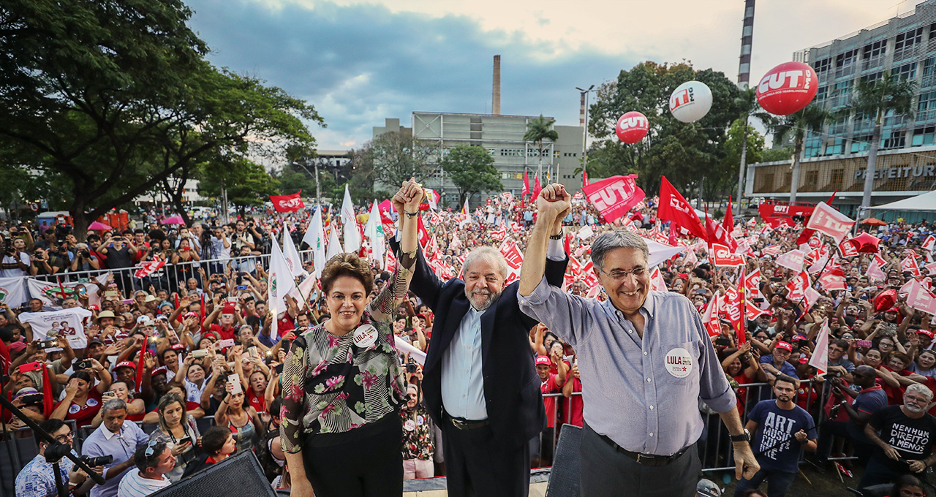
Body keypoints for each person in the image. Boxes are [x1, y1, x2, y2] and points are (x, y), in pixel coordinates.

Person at [517, 183, 758, 497]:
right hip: (608, 468)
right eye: (617, 272)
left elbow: (716, 387)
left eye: (638, 270)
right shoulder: (585, 319)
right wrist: (547, 222)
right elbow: (532, 296)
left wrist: (740, 443)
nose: (631, 283)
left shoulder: (682, 310)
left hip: (680, 470)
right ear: (599, 276)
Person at [388, 181, 569, 497]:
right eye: (473, 276)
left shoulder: (514, 307)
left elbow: (547, 282)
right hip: (457, 437)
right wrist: (409, 217)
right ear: (463, 278)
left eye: (490, 277)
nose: (481, 284)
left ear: (505, 281)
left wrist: (553, 228)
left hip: (502, 438)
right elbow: (414, 271)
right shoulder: (450, 298)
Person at [281, 180, 421, 497]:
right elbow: (288, 414)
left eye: (356, 295)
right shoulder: (304, 345)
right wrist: (299, 479)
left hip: (382, 443)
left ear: (367, 296)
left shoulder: (379, 318)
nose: (348, 304)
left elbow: (406, 268)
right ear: (326, 297)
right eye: (339, 296)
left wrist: (409, 215)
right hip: (328, 455)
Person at [733, 375, 817, 497]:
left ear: (794, 392)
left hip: (785, 469)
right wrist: (745, 454)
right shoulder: (762, 406)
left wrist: (803, 441)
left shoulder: (805, 417)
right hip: (758, 461)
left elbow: (813, 447)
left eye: (788, 390)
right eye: (780, 388)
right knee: (741, 493)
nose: (783, 392)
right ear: (774, 389)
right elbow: (748, 430)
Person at [861, 383, 936, 489]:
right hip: (882, 464)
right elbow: (869, 430)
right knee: (867, 492)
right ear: (904, 396)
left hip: (913, 471)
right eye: (911, 397)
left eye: (921, 400)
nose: (914, 402)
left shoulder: (933, 423)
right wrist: (885, 446)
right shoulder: (887, 412)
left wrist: (925, 463)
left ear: (929, 403)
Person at [816, 365, 887, 467]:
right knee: (827, 426)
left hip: (862, 436)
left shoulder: (872, 398)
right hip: (860, 431)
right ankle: (821, 459)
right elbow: (859, 396)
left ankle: (820, 461)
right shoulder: (875, 390)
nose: (854, 377)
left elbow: (859, 420)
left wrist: (843, 400)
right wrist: (842, 386)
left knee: (867, 467)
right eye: (854, 374)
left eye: (859, 376)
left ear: (872, 379)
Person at [15, 418, 102, 497]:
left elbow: (79, 491)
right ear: (43, 445)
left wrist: (94, 477)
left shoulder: (69, 454)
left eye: (69, 434)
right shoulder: (32, 475)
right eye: (60, 437)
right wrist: (71, 484)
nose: (69, 439)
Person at [82, 399, 151, 497]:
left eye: (120, 417)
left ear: (126, 413)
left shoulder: (130, 426)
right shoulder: (92, 444)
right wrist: (127, 464)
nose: (116, 422)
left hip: (135, 488)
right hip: (110, 494)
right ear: (102, 416)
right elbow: (98, 477)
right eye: (110, 418)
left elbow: (146, 442)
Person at [149, 392, 200, 482]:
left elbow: (198, 438)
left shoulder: (189, 420)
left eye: (178, 409)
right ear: (161, 412)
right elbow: (155, 466)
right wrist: (171, 454)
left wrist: (202, 441)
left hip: (197, 472)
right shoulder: (156, 437)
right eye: (170, 412)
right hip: (176, 481)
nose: (175, 415)